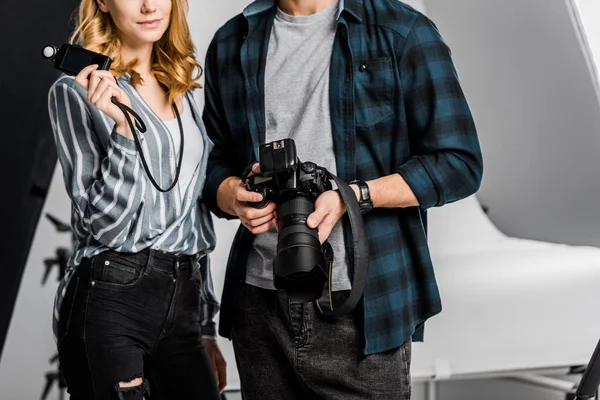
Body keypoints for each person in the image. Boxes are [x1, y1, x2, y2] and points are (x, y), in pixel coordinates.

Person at [202, 0, 484, 399]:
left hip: (363, 307)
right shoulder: (232, 41)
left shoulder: (401, 31)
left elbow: (459, 163)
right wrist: (231, 195)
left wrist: (353, 197)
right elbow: (213, 161)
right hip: (260, 304)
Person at [47, 0, 226, 398]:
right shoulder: (74, 91)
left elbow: (191, 215)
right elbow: (104, 226)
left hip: (183, 305)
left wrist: (205, 325)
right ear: (103, 3)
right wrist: (126, 130)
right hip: (113, 298)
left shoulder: (179, 86)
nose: (149, 5)